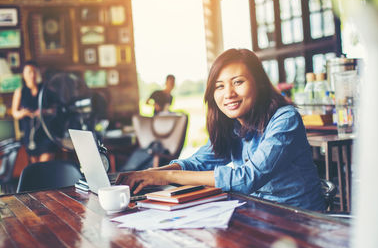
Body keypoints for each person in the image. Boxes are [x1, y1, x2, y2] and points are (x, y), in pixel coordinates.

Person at [117, 49, 325, 211]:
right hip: (257, 217)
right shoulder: (233, 126)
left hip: (299, 220)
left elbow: (248, 177)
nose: (229, 94)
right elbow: (198, 163)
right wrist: (149, 173)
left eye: (238, 82)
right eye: (219, 86)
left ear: (259, 84)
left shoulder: (285, 118)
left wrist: (167, 176)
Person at [11, 61, 57, 163]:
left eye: (34, 72)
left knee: (45, 165)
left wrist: (44, 111)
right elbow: (14, 113)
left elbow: (55, 110)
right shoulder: (20, 91)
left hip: (46, 133)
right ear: (23, 74)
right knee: (34, 167)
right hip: (30, 135)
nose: (32, 75)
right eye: (29, 72)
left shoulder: (46, 89)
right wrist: (24, 113)